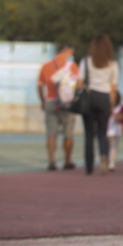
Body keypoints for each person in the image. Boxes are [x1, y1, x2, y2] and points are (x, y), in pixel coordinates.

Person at [77, 34, 119, 175]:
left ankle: (89, 167)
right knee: (102, 132)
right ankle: (103, 157)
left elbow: (79, 83)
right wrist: (112, 106)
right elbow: (113, 88)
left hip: (89, 98)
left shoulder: (86, 61)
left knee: (89, 134)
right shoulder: (113, 64)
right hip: (104, 98)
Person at [37, 43, 78, 171]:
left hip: (50, 101)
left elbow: (40, 85)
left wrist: (43, 100)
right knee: (68, 133)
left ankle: (52, 161)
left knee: (51, 133)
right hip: (67, 103)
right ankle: (67, 161)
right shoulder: (72, 66)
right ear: (67, 52)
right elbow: (77, 84)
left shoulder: (46, 65)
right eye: (72, 53)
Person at [106, 90, 122, 170]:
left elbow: (119, 119)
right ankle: (109, 163)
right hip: (111, 132)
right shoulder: (118, 109)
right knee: (111, 148)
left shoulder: (117, 109)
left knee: (110, 148)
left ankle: (109, 162)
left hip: (111, 132)